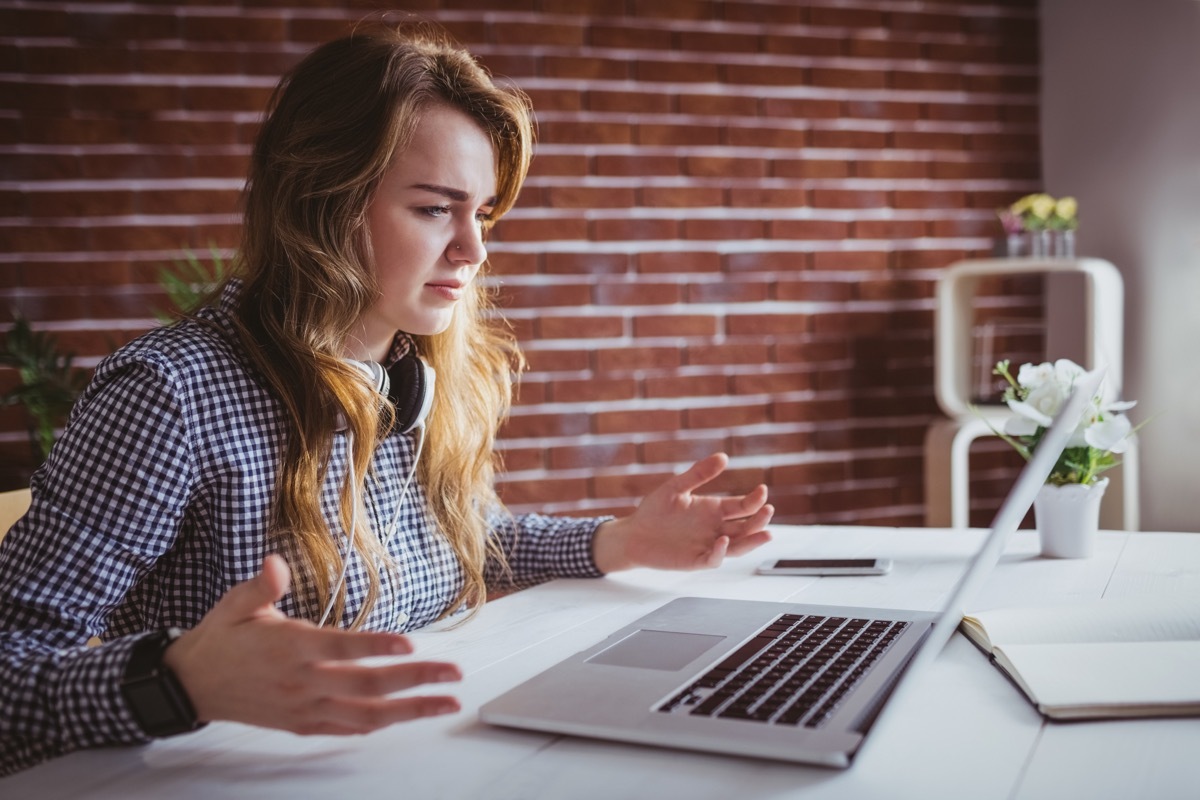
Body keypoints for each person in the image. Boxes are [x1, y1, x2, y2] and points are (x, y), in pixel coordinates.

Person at [0, 22, 773, 776]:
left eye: (484, 212)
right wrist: (178, 680)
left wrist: (621, 541)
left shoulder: (408, 371)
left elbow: (468, 534)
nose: (473, 249)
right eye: (436, 208)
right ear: (323, 203)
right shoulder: (169, 395)